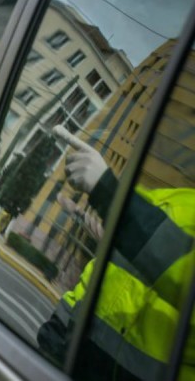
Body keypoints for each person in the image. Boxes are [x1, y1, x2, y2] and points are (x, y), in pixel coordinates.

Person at [37, 126, 195, 380]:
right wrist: (64, 321)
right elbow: (108, 268)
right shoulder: (175, 201)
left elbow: (180, 272)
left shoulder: (152, 209)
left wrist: (109, 193)